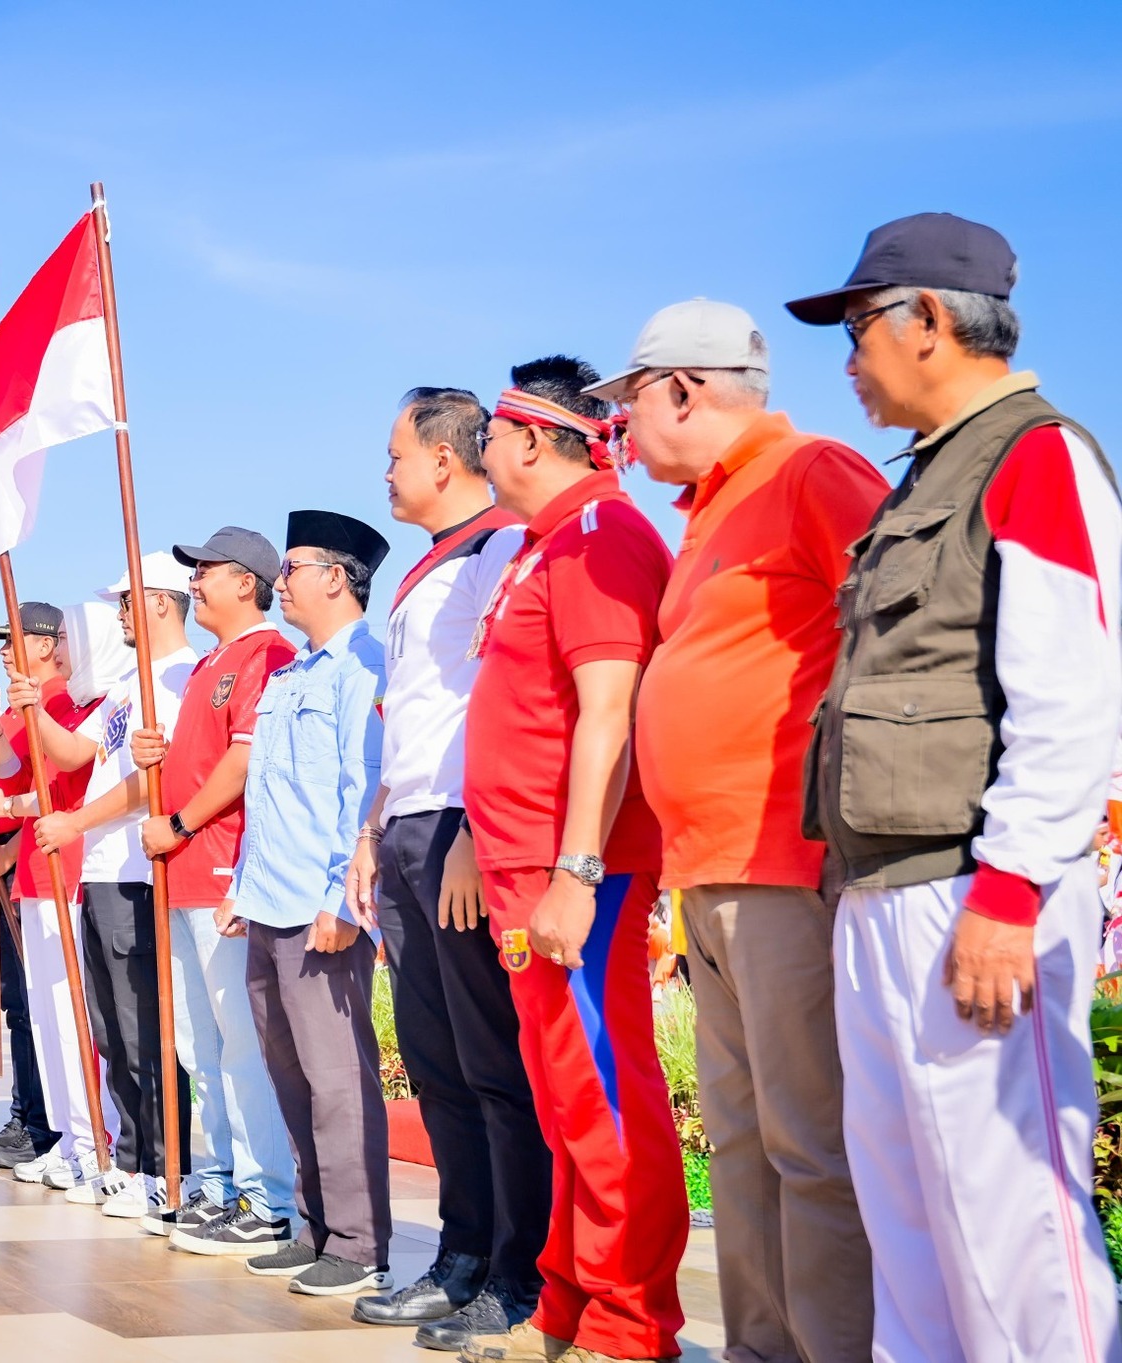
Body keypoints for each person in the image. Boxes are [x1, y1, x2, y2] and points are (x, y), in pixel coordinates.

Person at [788, 212, 1122, 1360]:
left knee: (1009, 1225)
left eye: (856, 327)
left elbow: (1069, 697)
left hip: (973, 895)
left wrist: (1010, 891)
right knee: (912, 1223)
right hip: (886, 886)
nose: (847, 359)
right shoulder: (927, 474)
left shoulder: (1035, 456)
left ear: (925, 319)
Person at [589, 300, 884, 1362]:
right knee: (742, 1141)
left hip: (784, 862)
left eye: (627, 407)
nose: (622, 433)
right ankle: (759, 1346)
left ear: (681, 388)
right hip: (708, 871)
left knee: (809, 1145)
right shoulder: (707, 509)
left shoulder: (811, 471)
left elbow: (902, 634)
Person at [460, 358, 685, 1361]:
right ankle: (567, 1307)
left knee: (601, 1092)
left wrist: (577, 871)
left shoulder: (601, 534)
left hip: (577, 872)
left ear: (529, 438)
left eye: (491, 433)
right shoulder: (544, 543)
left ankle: (631, 1323)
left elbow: (609, 713)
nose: (481, 449)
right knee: (562, 1100)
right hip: (524, 866)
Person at [343, 388, 550, 1349]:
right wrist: (371, 830)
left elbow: (500, 692)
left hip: (463, 830)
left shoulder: (496, 546)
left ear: (443, 457)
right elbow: (415, 717)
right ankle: (460, 1254)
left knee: (491, 1062)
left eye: (395, 455)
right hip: (408, 828)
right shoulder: (425, 567)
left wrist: (474, 826)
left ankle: (517, 1270)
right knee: (434, 1060)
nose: (385, 473)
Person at [228, 510, 392, 1298]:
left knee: (337, 1077)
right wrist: (243, 886)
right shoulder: (293, 673)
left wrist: (341, 901)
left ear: (335, 576)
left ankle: (359, 1243)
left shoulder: (365, 666)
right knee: (290, 1074)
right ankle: (317, 1227)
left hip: (321, 908)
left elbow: (363, 787)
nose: (280, 580)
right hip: (270, 901)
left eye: (292, 567)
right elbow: (269, 794)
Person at [127, 526, 300, 1252]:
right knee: (201, 1044)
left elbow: (245, 762)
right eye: (193, 571)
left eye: (207, 570)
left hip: (224, 869)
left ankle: (269, 1198)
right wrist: (154, 757)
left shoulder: (268, 654)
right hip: (183, 874)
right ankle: (225, 1181)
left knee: (240, 1043)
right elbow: (198, 758)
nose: (194, 581)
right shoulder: (206, 667)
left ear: (247, 582)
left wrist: (178, 821)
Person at [23, 562, 198, 1217]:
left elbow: (154, 782)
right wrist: (30, 705)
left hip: (135, 873)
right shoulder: (129, 682)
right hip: (99, 872)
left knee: (142, 1028)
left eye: (128, 601)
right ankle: (131, 1163)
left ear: (161, 603)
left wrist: (76, 821)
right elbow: (75, 755)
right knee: (110, 1031)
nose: (120, 613)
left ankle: (165, 1168)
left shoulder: (179, 678)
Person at [0, 603, 114, 1181]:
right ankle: (70, 1137)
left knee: (72, 1011)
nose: (5, 650)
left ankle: (94, 1138)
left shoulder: (63, 703)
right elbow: (10, 776)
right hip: (35, 869)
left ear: (49, 644)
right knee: (46, 1014)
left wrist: (6, 802)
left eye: (14, 639)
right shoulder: (36, 705)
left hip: (67, 868)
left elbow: (57, 788)